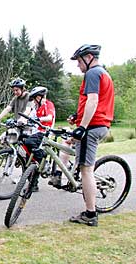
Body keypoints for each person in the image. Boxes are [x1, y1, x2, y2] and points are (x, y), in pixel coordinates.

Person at [69, 44, 114, 227]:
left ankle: (90, 214)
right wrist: (77, 116)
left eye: (79, 61)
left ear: (89, 58)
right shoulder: (102, 73)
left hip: (93, 126)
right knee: (84, 167)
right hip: (99, 124)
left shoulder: (93, 73)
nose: (78, 66)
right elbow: (91, 101)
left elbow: (93, 100)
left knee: (86, 170)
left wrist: (82, 127)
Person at [24, 86, 55, 192]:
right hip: (35, 133)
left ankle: (43, 160)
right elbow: (28, 117)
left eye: (34, 98)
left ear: (39, 97)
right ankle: (32, 183)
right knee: (27, 155)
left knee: (32, 148)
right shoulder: (36, 107)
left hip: (45, 133)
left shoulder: (48, 104)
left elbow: (49, 118)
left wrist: (38, 119)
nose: (33, 101)